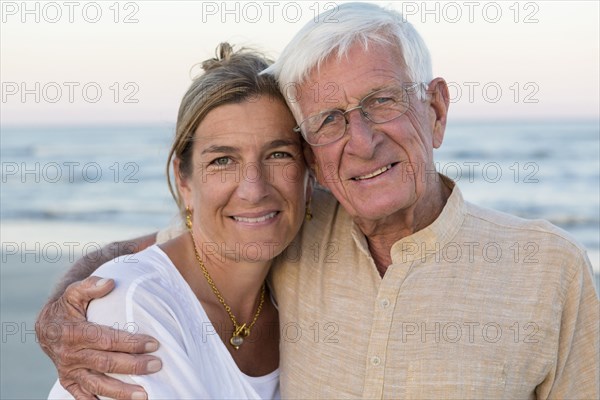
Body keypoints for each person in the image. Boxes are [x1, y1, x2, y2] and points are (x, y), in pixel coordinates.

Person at [37, 3, 599, 399]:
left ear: (436, 110)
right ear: (314, 156)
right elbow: (159, 256)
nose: (361, 141)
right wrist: (62, 308)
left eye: (382, 101)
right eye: (328, 120)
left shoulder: (549, 269)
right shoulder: (287, 227)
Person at [46, 43, 310, 399]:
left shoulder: (292, 302)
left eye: (279, 154)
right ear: (184, 181)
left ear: (311, 173)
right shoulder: (133, 302)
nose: (254, 189)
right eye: (222, 160)